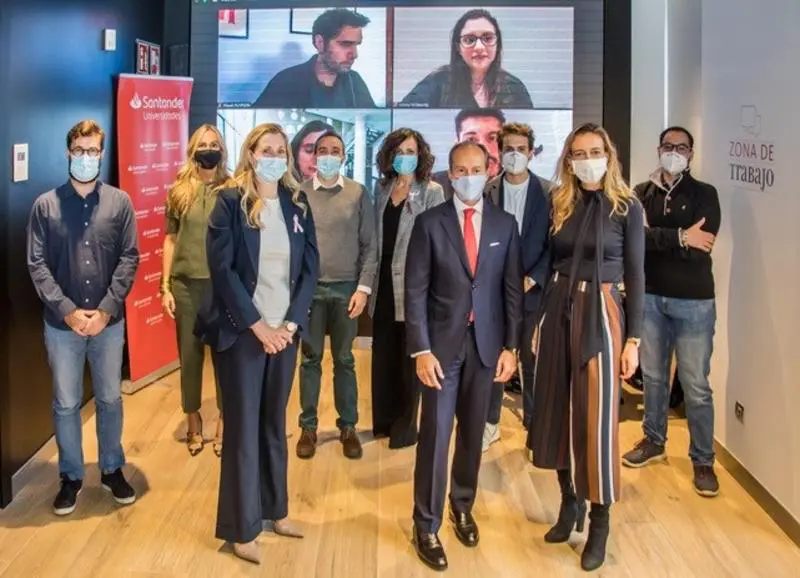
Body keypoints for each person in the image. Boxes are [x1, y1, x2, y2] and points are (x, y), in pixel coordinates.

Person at [195, 123, 319, 564]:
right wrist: (257, 326)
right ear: (250, 154)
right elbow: (223, 270)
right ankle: (241, 528)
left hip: (284, 334)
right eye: (267, 149)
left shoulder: (296, 203)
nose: (275, 157)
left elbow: (310, 268)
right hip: (243, 334)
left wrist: (290, 324)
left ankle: (275, 510)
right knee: (243, 431)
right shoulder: (230, 202)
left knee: (273, 426)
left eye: (281, 150)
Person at [526, 123, 644, 571]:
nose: (588, 159)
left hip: (602, 310)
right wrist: (537, 318)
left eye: (595, 151)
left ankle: (600, 521)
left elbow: (637, 275)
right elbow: (548, 258)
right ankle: (568, 501)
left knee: (596, 418)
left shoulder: (626, 206)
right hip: (558, 305)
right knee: (555, 408)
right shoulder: (559, 201)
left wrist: (633, 340)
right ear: (569, 160)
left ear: (608, 155)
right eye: (579, 153)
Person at [406, 141, 522, 571]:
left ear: (488, 170)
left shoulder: (505, 224)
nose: (468, 176)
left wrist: (511, 347)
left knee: (473, 434)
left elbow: (511, 290)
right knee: (435, 436)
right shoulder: (429, 223)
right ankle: (426, 524)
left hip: (487, 347)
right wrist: (421, 349)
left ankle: (462, 505)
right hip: (440, 349)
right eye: (460, 169)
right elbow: (414, 291)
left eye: (475, 169)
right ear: (449, 174)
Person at [26, 120, 139, 516]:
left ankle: (111, 469)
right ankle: (71, 477)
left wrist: (106, 310)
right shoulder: (45, 206)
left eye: (93, 151)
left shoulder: (120, 203)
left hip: (109, 324)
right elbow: (37, 264)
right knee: (66, 403)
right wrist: (69, 311)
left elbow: (129, 258)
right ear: (68, 152)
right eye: (79, 150)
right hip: (63, 326)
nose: (86, 157)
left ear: (101, 154)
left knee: (109, 399)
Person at [622, 126, 721, 497]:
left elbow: (702, 244)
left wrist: (658, 238)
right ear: (658, 149)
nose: (674, 152)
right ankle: (653, 440)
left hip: (694, 301)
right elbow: (636, 241)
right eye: (668, 146)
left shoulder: (704, 194)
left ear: (691, 153)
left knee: (696, 385)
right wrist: (681, 236)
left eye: (682, 147)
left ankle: (703, 460)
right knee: (653, 377)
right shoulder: (640, 193)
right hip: (650, 297)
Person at [296, 130, 377, 460]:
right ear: (315, 156)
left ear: (344, 156)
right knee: (310, 359)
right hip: (310, 291)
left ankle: (348, 426)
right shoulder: (299, 194)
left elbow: (370, 245)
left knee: (344, 359)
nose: (329, 155)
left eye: (335, 150)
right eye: (323, 150)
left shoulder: (358, 193)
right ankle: (308, 427)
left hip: (347, 290)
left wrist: (363, 288)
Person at [369, 128, 444, 449]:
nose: (405, 157)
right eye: (399, 151)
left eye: (410, 151)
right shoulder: (382, 188)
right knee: (383, 355)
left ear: (421, 155)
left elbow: (437, 242)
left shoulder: (431, 191)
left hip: (414, 286)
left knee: (408, 357)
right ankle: (383, 422)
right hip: (382, 284)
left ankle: (405, 427)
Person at [161, 124, 234, 457]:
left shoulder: (233, 189)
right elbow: (170, 239)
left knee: (224, 359)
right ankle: (193, 421)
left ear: (222, 149)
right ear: (192, 150)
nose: (209, 150)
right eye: (203, 144)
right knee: (189, 358)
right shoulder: (179, 191)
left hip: (222, 288)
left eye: (214, 144)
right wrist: (165, 287)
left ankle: (224, 423)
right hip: (186, 287)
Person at [482, 122, 551, 450]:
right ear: (499, 152)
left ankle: (535, 425)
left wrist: (532, 277)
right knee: (494, 357)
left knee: (531, 359)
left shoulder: (550, 193)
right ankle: (490, 423)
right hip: (494, 291)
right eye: (508, 148)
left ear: (531, 152)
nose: (514, 154)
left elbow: (555, 243)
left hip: (533, 290)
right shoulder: (488, 190)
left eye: (520, 149)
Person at [399, 9, 532, 109]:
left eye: (488, 38)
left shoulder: (514, 88)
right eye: (469, 40)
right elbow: (404, 114)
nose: (479, 47)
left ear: (498, 44)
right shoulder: (437, 81)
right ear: (458, 47)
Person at [252, 9, 376, 108]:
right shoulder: (285, 81)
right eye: (345, 44)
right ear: (320, 43)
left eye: (356, 45)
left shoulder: (355, 81)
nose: (354, 54)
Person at [432, 108, 508, 198]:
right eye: (471, 139)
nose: (485, 149)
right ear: (457, 146)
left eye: (493, 138)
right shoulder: (432, 186)